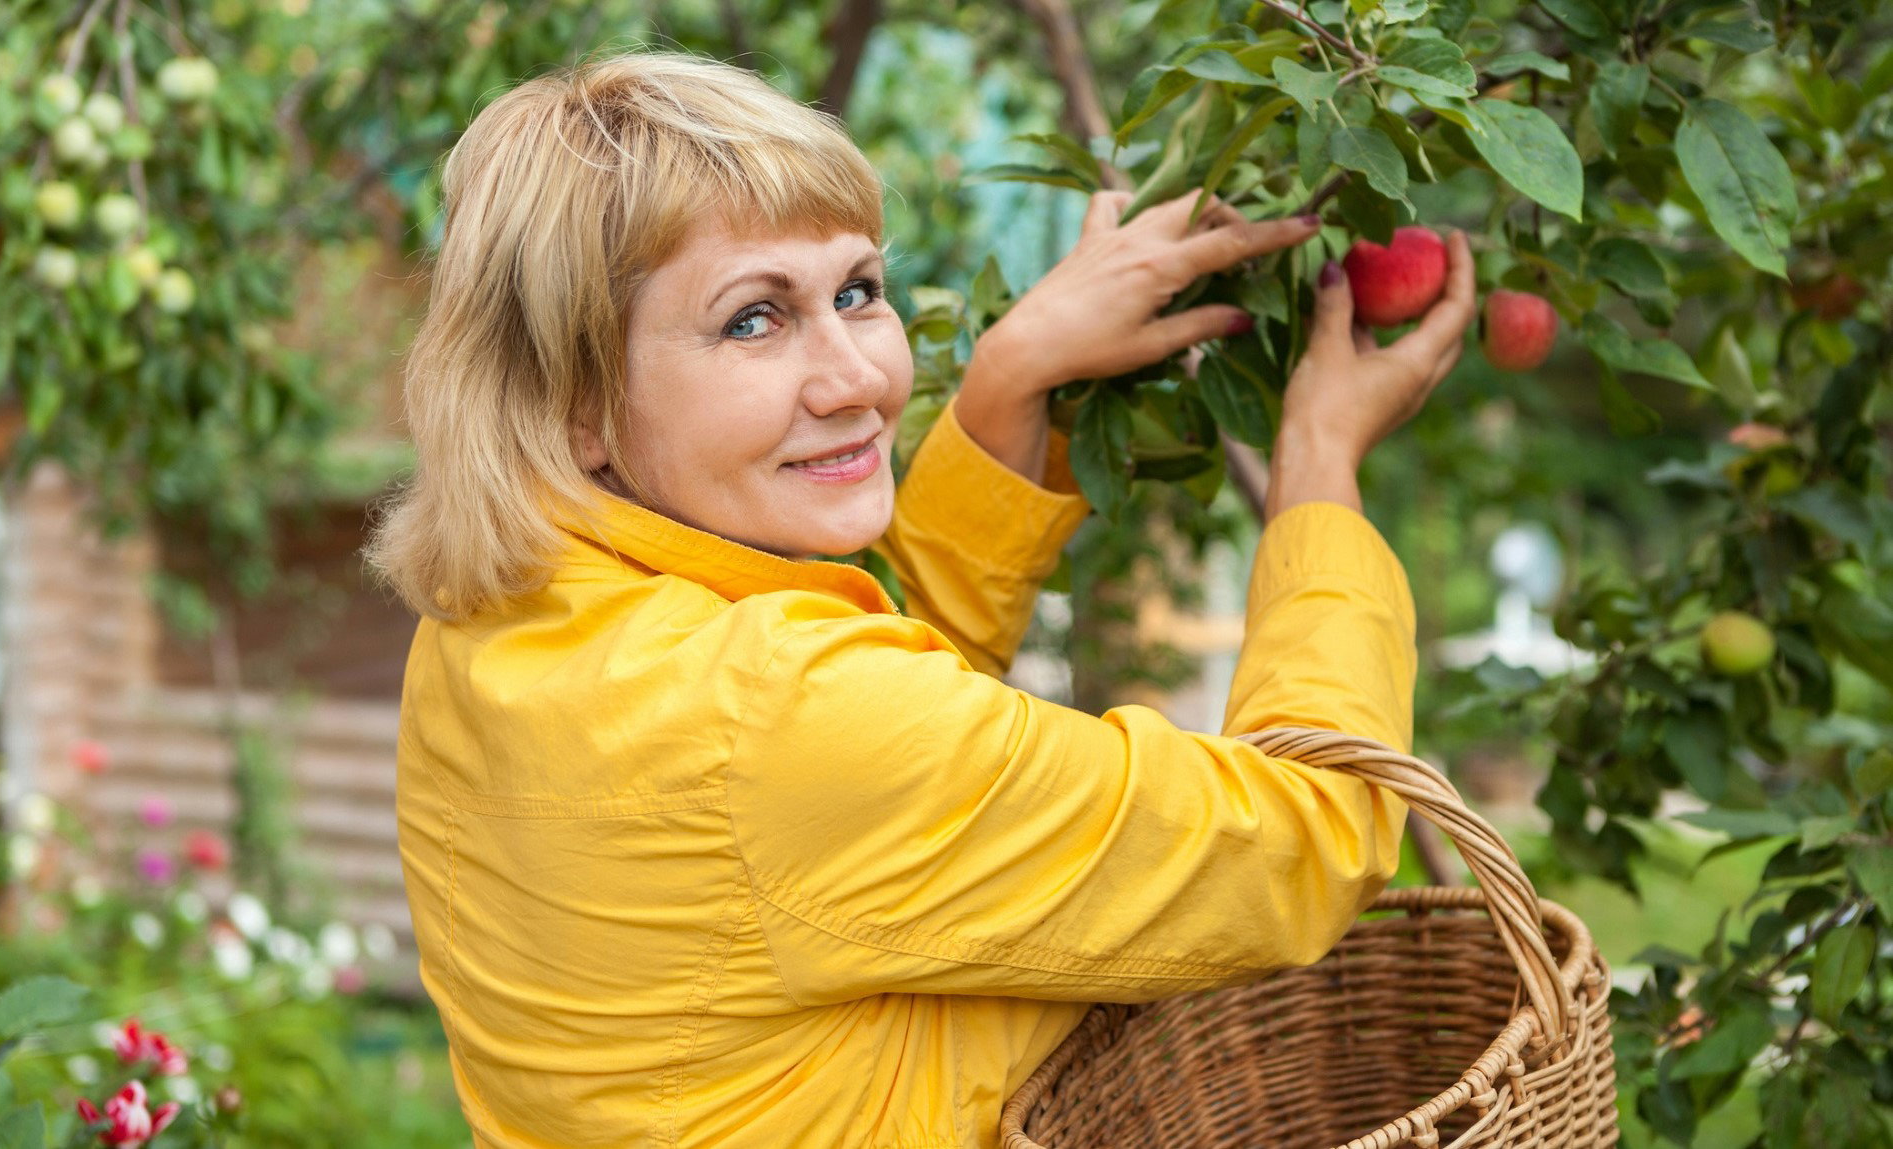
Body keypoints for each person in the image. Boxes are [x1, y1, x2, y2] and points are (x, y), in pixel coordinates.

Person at [368, 50, 1477, 1149]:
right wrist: (1321, 466)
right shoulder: (774, 720)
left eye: (856, 291)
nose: (857, 378)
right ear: (575, 405)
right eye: (753, 319)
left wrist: (1007, 378)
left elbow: (863, 744)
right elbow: (1304, 843)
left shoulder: (500, 621)